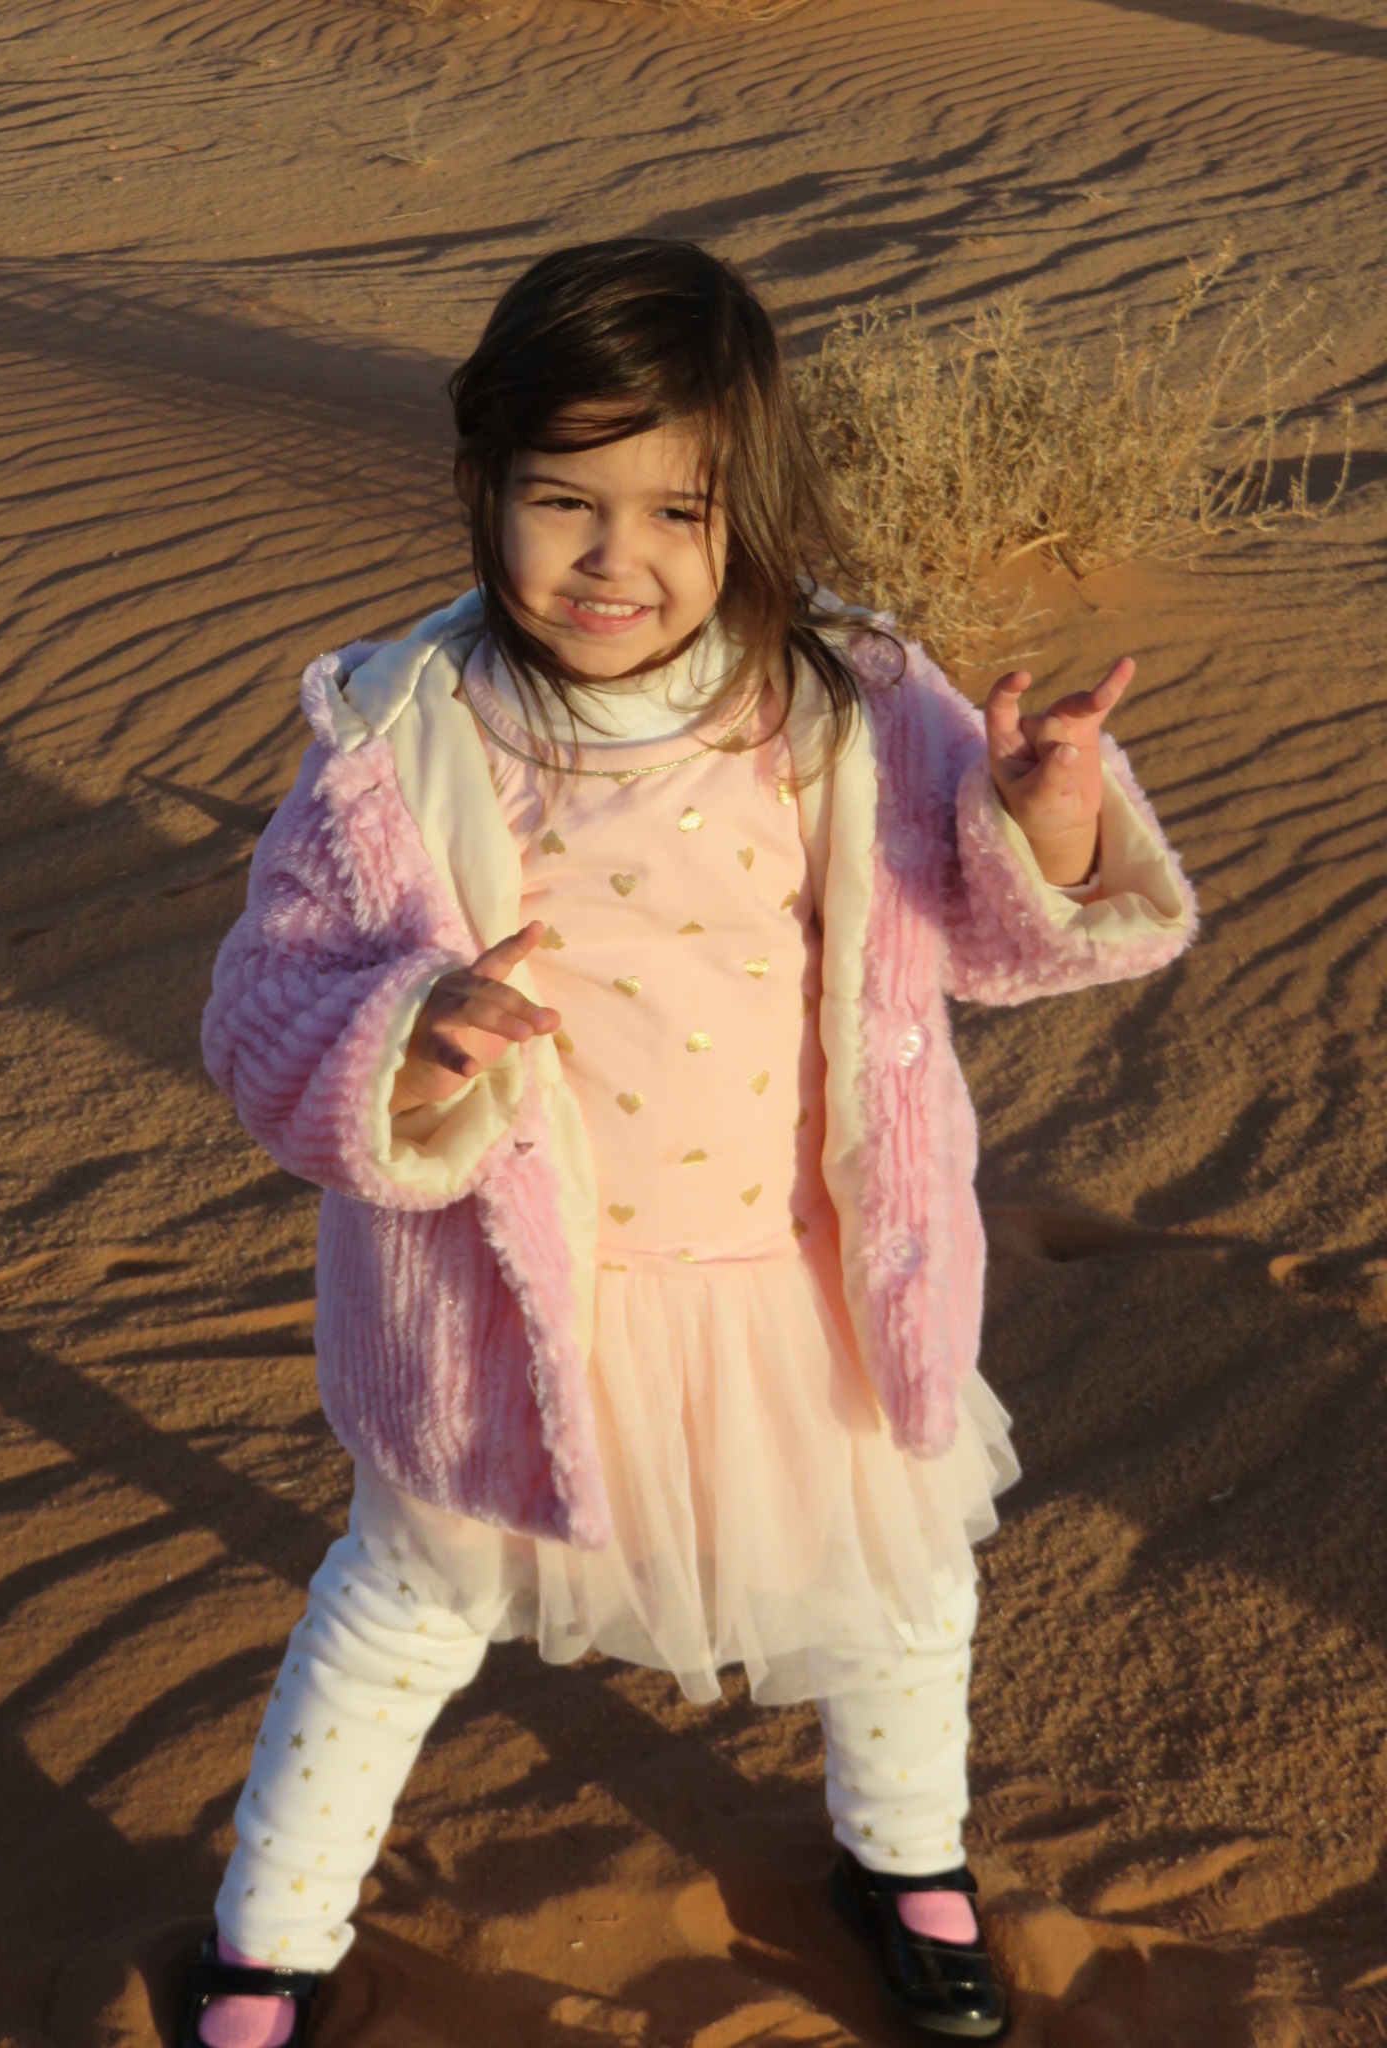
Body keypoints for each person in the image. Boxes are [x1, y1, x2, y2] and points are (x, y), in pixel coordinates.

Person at [182, 238, 1196, 2048]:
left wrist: (1045, 819)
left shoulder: (847, 694)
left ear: (753, 511)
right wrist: (407, 1032)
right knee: (404, 1606)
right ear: (485, 483)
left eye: (676, 511)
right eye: (563, 500)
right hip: (511, 1305)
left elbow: (977, 931)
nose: (613, 560)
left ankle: (906, 1857)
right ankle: (273, 1930)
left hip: (811, 1284)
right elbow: (268, 1001)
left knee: (902, 1586)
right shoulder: (401, 734)